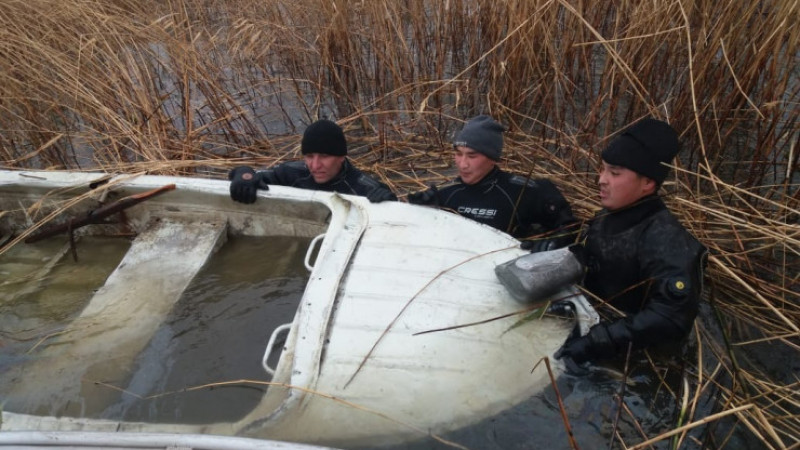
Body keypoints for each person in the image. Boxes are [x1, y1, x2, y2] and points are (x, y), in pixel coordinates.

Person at [554, 118, 707, 365]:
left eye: (614, 173)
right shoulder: (607, 217)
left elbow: (671, 318)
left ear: (648, 183)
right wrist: (561, 251)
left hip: (634, 358)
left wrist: (602, 340)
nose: (601, 179)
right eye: (602, 169)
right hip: (592, 318)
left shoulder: (668, 240)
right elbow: (598, 259)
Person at [407, 115, 578, 249]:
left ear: (493, 159)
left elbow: (572, 228)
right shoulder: (447, 194)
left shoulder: (525, 192)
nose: (462, 164)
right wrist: (423, 210)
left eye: (472, 156)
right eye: (458, 154)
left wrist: (552, 244)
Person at [229, 119, 396, 203]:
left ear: (341, 157)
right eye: (309, 156)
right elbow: (253, 175)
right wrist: (243, 173)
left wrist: (389, 202)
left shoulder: (364, 188)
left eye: (324, 156)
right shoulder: (292, 173)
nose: (315, 166)